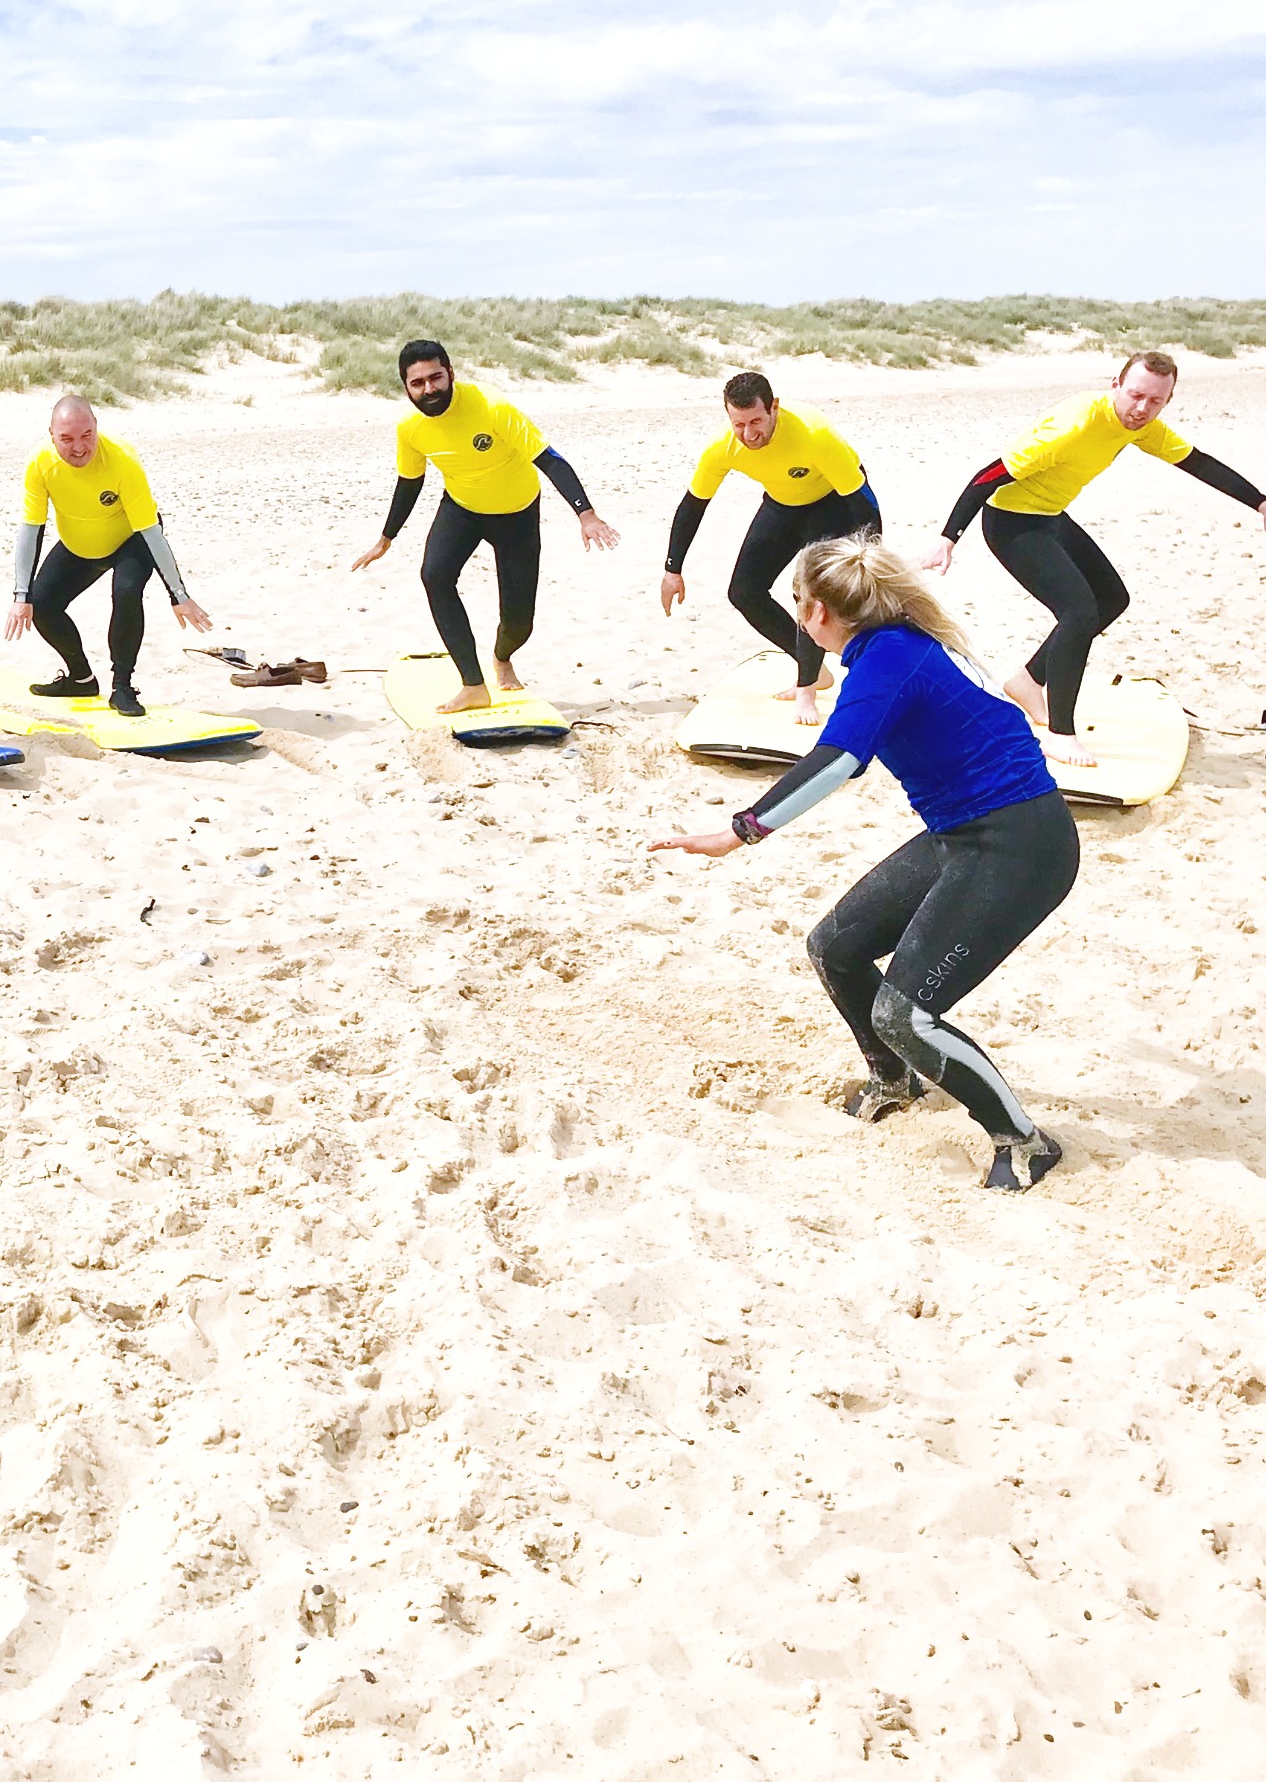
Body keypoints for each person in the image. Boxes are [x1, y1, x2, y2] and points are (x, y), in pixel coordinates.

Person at [650, 532, 1073, 1192]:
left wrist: (740, 831)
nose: (795, 615)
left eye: (796, 603)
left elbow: (840, 761)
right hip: (962, 835)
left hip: (1022, 845)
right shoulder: (888, 646)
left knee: (905, 1015)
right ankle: (895, 1079)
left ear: (818, 612)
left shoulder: (888, 660)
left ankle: (1023, 1141)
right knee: (835, 947)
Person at [925, 351, 1266, 766]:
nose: (1142, 409)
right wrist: (949, 537)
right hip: (1011, 523)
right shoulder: (1074, 426)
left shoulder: (1139, 425)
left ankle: (1027, 680)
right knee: (1077, 612)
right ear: (1116, 384)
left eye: (1155, 401)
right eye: (1136, 395)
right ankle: (1060, 734)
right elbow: (990, 475)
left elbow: (1196, 462)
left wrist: (1263, 504)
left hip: (1050, 516)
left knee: (1111, 599)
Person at [350, 340, 619, 711]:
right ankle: (473, 685)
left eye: (436, 378)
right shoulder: (410, 427)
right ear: (405, 387)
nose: (429, 389)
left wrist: (585, 514)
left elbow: (550, 459)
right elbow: (410, 481)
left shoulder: (491, 406)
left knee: (518, 623)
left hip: (517, 514)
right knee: (435, 575)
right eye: (418, 383)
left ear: (451, 374)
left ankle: (502, 657)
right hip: (462, 508)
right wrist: (386, 538)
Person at [660, 370, 882, 726]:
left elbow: (864, 502)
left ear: (774, 407)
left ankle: (806, 689)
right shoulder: (723, 447)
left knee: (806, 593)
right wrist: (673, 568)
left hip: (834, 505)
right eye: (738, 424)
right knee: (744, 592)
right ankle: (812, 668)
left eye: (756, 422)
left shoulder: (814, 435)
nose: (749, 434)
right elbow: (693, 504)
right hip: (782, 505)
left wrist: (872, 553)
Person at [3, 394, 214, 719]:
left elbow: (151, 533)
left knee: (126, 590)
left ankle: (123, 687)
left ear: (96, 428)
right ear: (51, 435)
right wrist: (21, 594)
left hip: (133, 540)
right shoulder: (39, 463)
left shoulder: (121, 460)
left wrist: (179, 594)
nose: (78, 447)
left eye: (87, 436)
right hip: (81, 544)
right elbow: (31, 529)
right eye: (67, 439)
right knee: (42, 604)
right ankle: (81, 678)